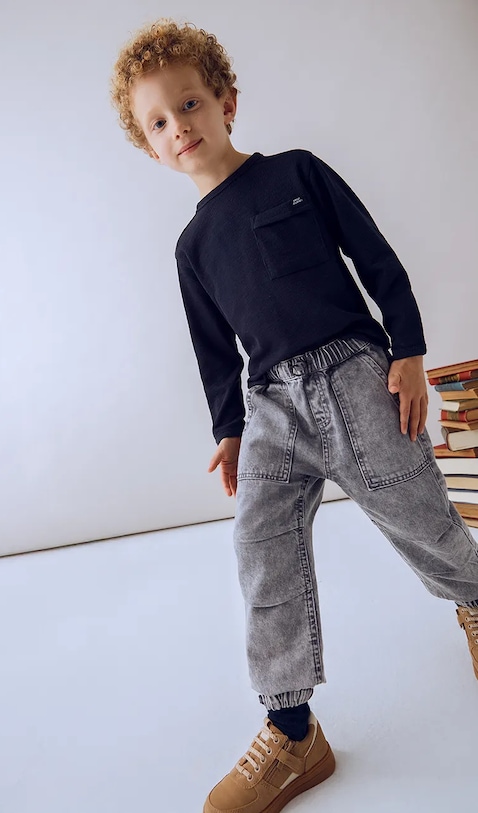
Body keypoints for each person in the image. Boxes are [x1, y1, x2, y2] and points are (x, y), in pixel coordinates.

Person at [110, 18, 478, 813]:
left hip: (356, 377)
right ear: (150, 148)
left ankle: (476, 599)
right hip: (271, 405)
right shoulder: (191, 248)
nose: (180, 127)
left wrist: (409, 350)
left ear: (227, 102)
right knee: (260, 547)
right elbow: (214, 350)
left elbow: (377, 258)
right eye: (159, 122)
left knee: (420, 515)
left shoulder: (298, 173)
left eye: (190, 103)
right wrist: (228, 431)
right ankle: (292, 729)